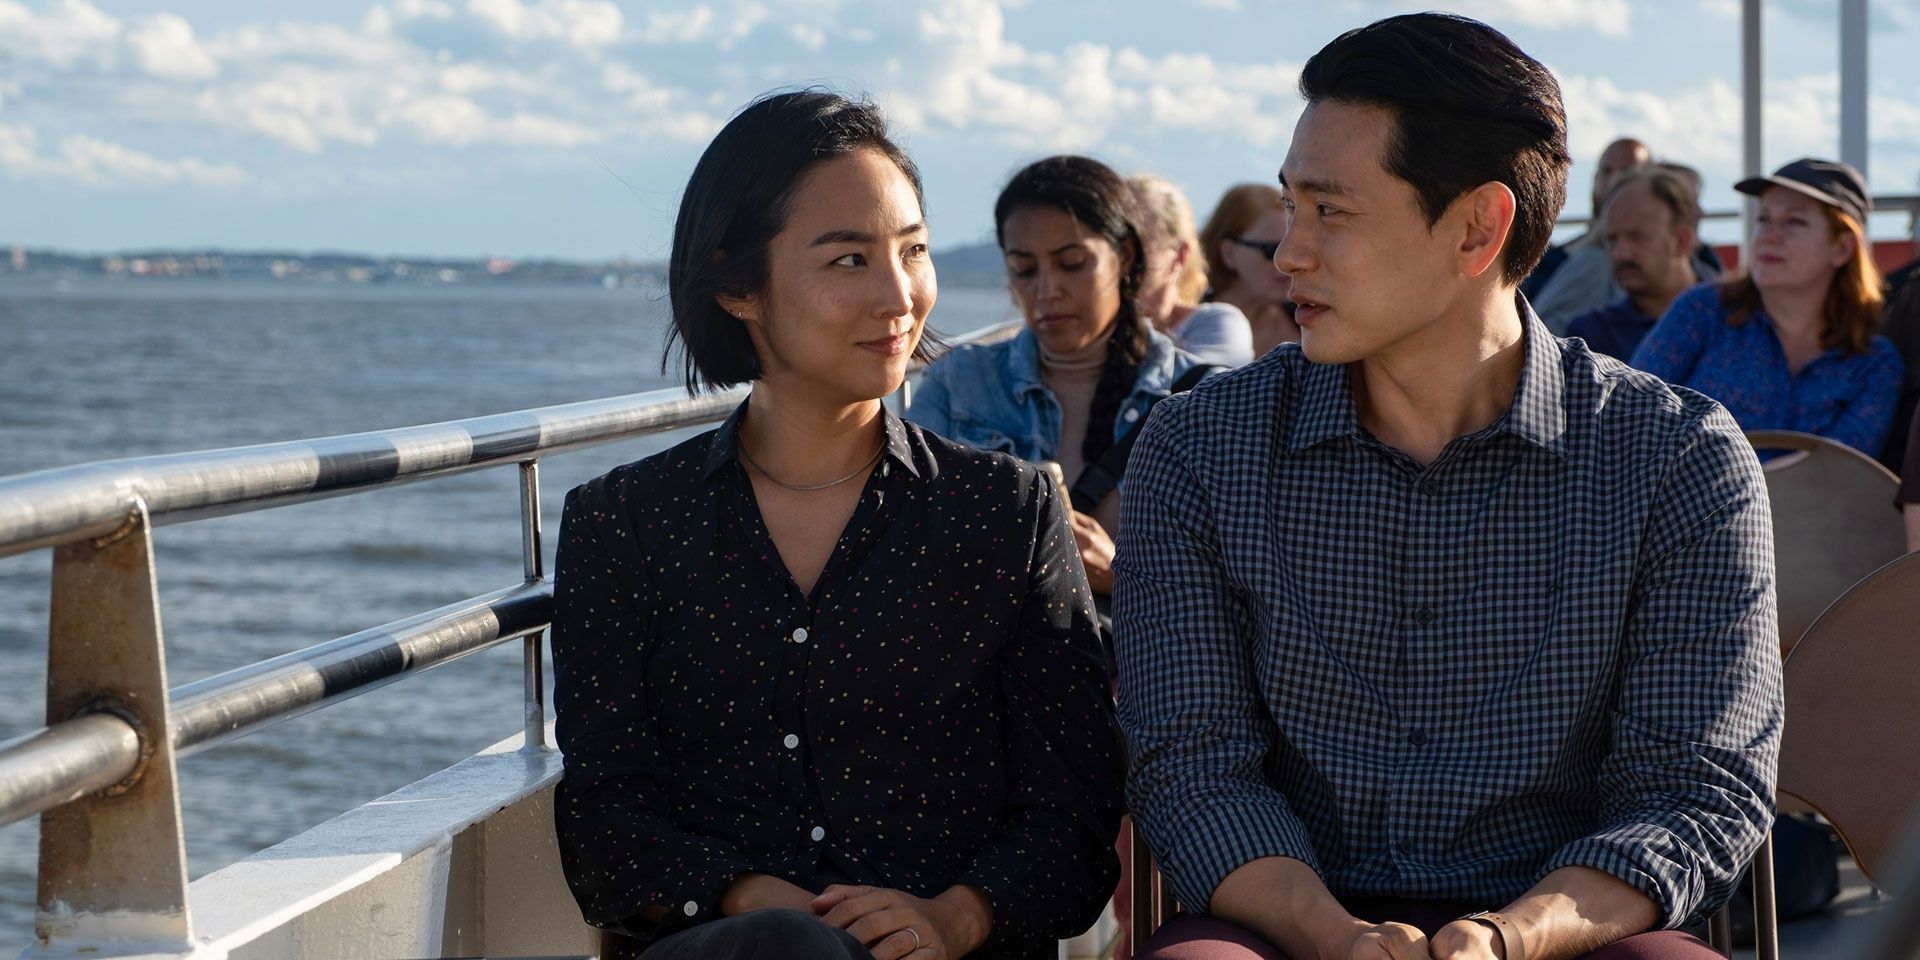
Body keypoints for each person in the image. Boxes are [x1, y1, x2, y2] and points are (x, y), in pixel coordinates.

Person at [1116, 14, 1779, 960]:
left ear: (1478, 227)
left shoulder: (1678, 461)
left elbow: (1690, 788)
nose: (1287, 254)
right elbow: (1192, 767)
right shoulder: (1198, 448)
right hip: (1282, 922)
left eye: (1330, 211)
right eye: (1289, 207)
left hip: (1572, 925)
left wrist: (1512, 936)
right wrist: (1339, 937)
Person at [550, 91, 1124, 960]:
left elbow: (1074, 817)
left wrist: (951, 916)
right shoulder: (626, 522)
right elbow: (605, 823)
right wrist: (750, 899)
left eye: (914, 251)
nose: (900, 297)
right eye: (850, 260)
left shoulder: (1005, 514)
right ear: (738, 285)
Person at [905, 155, 1204, 602]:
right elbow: (909, 546)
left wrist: (1119, 576)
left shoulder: (1201, 398)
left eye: (1072, 263)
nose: (1047, 290)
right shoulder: (957, 382)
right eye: (1025, 269)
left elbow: (1233, 593)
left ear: (1123, 257)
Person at [1632, 158, 1903, 459]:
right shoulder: (1701, 310)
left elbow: (1841, 478)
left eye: (1794, 221)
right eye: (1764, 219)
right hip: (1683, 505)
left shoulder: (1876, 364)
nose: (1769, 235)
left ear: (1841, 248)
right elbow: (1630, 412)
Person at [1565, 167, 1702, 361]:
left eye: (1637, 237)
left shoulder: (1735, 317)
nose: (1620, 253)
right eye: (1611, 240)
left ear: (1682, 241)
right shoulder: (1591, 337)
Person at [1130, 173, 1256, 367]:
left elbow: (1196, 389)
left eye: (1139, 242)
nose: (1122, 256)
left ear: (1180, 256)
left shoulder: (1217, 324)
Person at [1521, 137, 1649, 328]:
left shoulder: (1606, 264)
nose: (1614, 180)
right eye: (1607, 171)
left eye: (1626, 173)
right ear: (1596, 178)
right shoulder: (1549, 255)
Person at [1200, 183, 1301, 356]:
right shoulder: (1190, 328)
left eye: (1296, 248)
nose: (1287, 261)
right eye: (1271, 249)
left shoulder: (1308, 321)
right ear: (1229, 253)